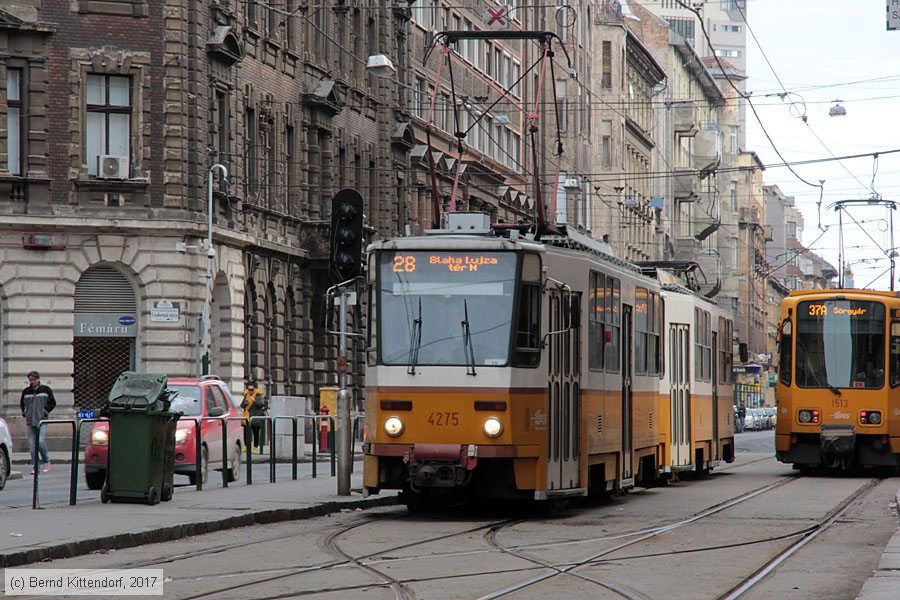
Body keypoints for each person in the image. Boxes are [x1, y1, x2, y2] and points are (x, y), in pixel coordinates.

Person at [20, 371, 56, 474]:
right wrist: (24, 412)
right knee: (32, 445)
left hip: (41, 419)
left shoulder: (45, 390)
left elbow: (53, 402)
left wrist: (45, 411)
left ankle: (46, 460)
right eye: (30, 380)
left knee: (40, 441)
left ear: (38, 379)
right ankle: (36, 466)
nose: (32, 382)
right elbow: (22, 403)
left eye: (33, 380)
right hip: (30, 420)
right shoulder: (26, 391)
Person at [241, 381, 268, 452]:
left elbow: (261, 405)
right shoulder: (246, 395)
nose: (250, 391)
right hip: (247, 416)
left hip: (256, 416)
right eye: (249, 389)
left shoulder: (259, 395)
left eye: (252, 389)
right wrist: (245, 403)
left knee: (256, 433)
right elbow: (242, 405)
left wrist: (255, 401)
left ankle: (255, 447)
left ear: (255, 389)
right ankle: (246, 446)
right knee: (246, 433)